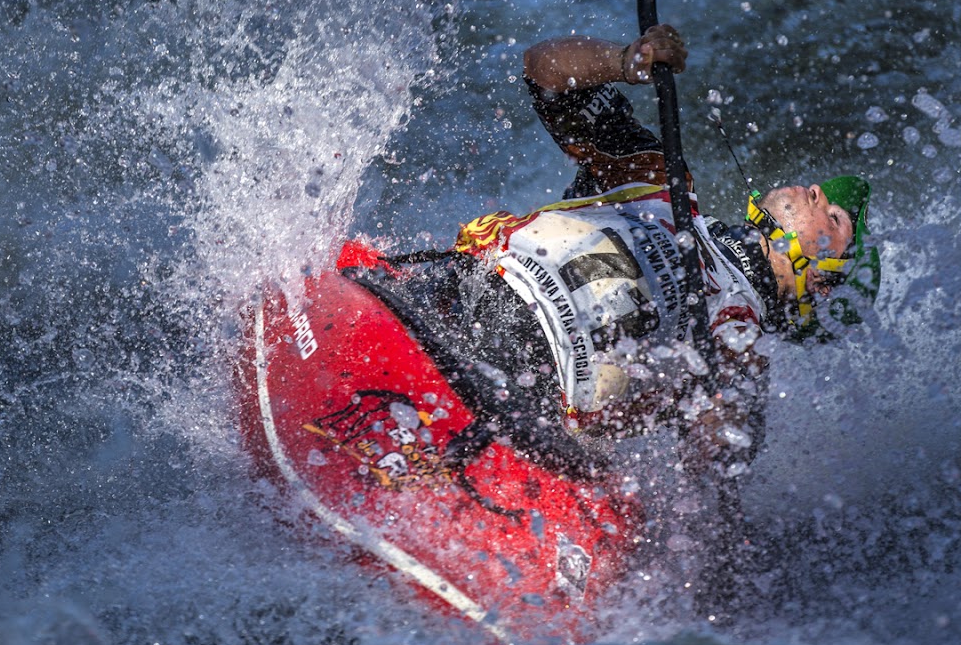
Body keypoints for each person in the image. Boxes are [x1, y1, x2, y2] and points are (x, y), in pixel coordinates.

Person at [341, 24, 878, 476]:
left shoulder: (741, 348)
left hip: (515, 401)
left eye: (834, 216)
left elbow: (714, 461)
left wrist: (718, 421)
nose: (816, 191)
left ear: (821, 284)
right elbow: (544, 72)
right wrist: (624, 61)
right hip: (451, 297)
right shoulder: (661, 182)